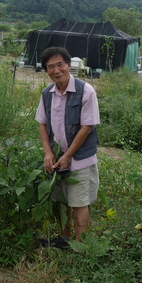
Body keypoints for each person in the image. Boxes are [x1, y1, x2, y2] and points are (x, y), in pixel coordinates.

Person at [35, 47, 100, 248]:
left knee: (79, 202)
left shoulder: (85, 91)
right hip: (58, 157)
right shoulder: (47, 94)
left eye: (59, 65)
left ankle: (80, 246)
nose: (56, 70)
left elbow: (87, 127)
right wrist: (48, 152)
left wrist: (68, 155)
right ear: (47, 70)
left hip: (80, 159)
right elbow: (42, 124)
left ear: (69, 65)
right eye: (50, 67)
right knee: (61, 200)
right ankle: (64, 239)